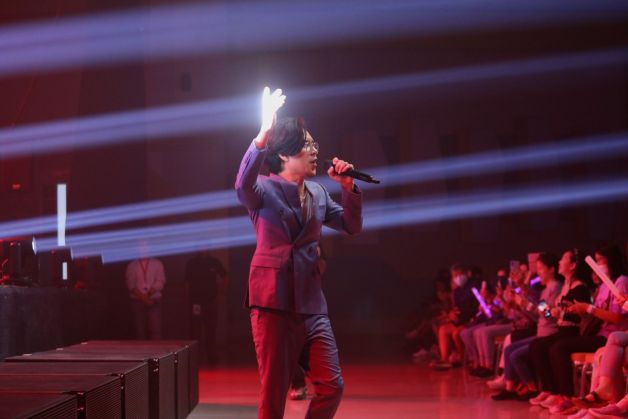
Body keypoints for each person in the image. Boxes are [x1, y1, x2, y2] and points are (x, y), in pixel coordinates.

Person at [235, 87, 363, 419]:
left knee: (332, 385)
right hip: (272, 305)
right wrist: (263, 133)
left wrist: (348, 189)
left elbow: (351, 225)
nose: (315, 150)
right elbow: (241, 185)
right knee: (274, 394)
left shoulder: (319, 193)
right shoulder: (263, 189)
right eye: (308, 145)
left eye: (315, 145)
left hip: (312, 306)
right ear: (284, 155)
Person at [184, 250, 229, 364]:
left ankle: (211, 355)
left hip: (211, 301)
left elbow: (225, 276)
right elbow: (187, 283)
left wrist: (221, 293)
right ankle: (195, 356)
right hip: (196, 303)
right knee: (195, 330)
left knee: (211, 329)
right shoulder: (192, 263)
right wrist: (188, 299)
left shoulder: (214, 262)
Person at [125, 247, 166, 340]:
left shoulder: (157, 263)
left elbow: (161, 281)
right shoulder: (132, 265)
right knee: (140, 332)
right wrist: (144, 298)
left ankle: (156, 350)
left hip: (154, 300)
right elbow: (130, 285)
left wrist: (148, 295)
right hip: (137, 301)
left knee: (155, 331)